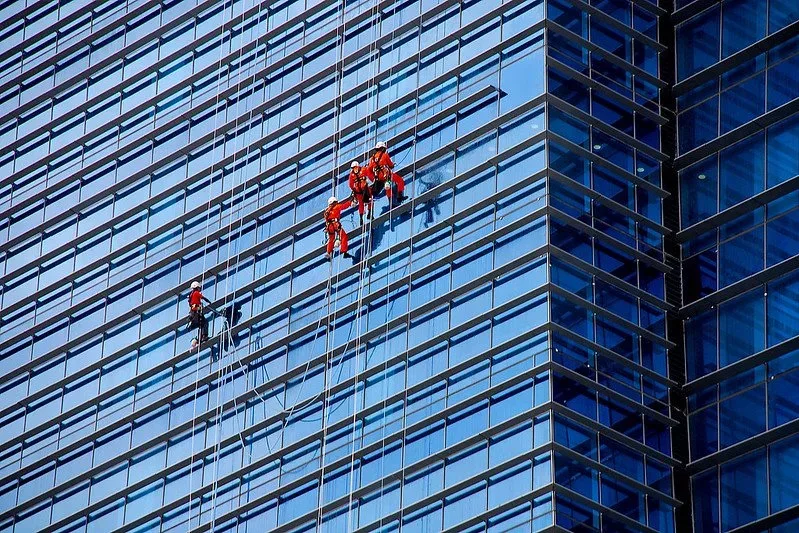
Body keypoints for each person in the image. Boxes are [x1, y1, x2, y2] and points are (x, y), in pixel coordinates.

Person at [366, 141, 406, 206]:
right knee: (400, 180)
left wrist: (374, 178)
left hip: (378, 178)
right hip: (387, 175)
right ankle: (399, 196)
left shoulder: (372, 159)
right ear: (383, 148)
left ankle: (391, 202)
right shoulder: (385, 155)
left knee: (387, 188)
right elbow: (390, 165)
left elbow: (369, 170)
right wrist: (392, 165)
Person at [323, 195, 354, 260]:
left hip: (329, 226)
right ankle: (344, 251)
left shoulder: (327, 211)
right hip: (335, 225)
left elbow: (326, 219)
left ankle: (328, 253)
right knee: (344, 236)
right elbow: (344, 206)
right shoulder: (337, 207)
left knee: (331, 239)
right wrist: (350, 201)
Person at [348, 160, 373, 225]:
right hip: (359, 192)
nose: (354, 169)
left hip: (364, 190)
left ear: (358, 166)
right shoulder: (352, 175)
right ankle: (361, 218)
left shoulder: (363, 169)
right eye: (353, 168)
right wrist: (354, 190)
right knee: (362, 204)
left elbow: (369, 175)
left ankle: (369, 213)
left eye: (355, 167)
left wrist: (373, 181)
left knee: (369, 200)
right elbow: (350, 184)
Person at [187, 280, 210, 346]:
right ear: (197, 287)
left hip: (193, 313)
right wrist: (207, 301)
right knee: (204, 323)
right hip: (196, 312)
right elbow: (202, 297)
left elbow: (190, 304)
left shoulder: (191, 295)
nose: (200, 289)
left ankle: (200, 338)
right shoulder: (196, 293)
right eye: (199, 288)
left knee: (201, 324)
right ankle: (204, 336)